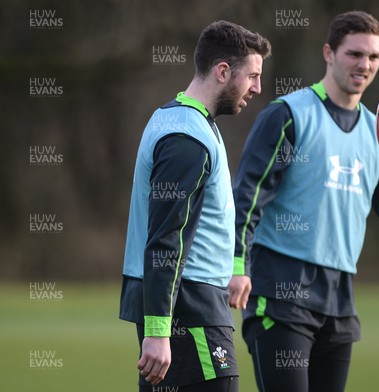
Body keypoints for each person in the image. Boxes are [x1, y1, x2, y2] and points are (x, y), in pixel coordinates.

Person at [228, 11, 379, 392]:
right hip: (280, 293)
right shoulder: (288, 115)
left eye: (374, 57)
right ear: (329, 53)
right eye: (354, 54)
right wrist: (236, 262)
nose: (364, 65)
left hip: (339, 301)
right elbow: (248, 196)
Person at [119, 20, 271, 392]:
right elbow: (165, 238)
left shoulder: (180, 120)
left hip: (190, 306)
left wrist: (233, 268)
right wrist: (158, 330)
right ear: (223, 71)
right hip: (190, 312)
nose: (257, 87)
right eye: (251, 76)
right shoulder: (186, 138)